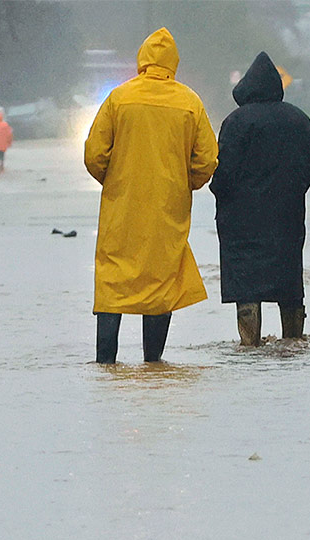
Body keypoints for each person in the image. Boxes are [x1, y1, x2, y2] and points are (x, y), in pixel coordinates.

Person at [84, 27, 218, 364]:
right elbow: (206, 160)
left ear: (142, 60)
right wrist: (184, 183)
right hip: (166, 211)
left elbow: (93, 155)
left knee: (114, 280)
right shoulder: (190, 102)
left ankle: (105, 363)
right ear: (174, 62)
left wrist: (115, 181)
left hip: (121, 209)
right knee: (160, 283)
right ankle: (153, 362)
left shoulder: (118, 98)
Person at [210, 51, 310, 346]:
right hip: (287, 219)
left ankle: (249, 346)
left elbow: (223, 173)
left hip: (242, 223)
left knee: (246, 287)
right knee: (289, 283)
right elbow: (309, 168)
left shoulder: (236, 122)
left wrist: (222, 194)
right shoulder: (299, 120)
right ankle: (293, 340)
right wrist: (290, 195)